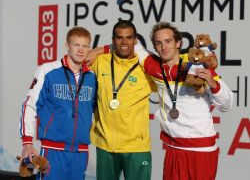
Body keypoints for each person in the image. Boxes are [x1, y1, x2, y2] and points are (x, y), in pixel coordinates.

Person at [86, 22, 233, 180]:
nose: (164, 47)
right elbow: (130, 45)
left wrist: (212, 82)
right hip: (173, 149)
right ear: (155, 47)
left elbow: (227, 105)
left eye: (168, 41)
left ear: (178, 43)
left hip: (201, 150)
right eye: (158, 43)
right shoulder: (153, 66)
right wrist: (102, 49)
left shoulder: (196, 68)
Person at [19, 26, 97, 180]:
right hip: (53, 150)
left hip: (81, 152)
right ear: (67, 45)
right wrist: (27, 142)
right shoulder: (47, 70)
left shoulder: (92, 77)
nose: (81, 50)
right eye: (76, 45)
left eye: (85, 46)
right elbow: (29, 106)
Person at [89, 20, 156, 180]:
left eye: (129, 37)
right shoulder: (101, 61)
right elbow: (80, 59)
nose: (124, 42)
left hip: (136, 148)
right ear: (113, 40)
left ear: (136, 41)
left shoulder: (146, 67)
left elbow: (166, 71)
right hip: (105, 145)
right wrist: (103, 49)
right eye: (119, 38)